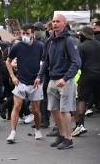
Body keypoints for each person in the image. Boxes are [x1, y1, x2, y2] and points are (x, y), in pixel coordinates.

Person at [35, 14, 81, 149]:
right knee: (53, 109)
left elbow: (77, 62)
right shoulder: (50, 41)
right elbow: (46, 62)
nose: (55, 24)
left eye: (58, 21)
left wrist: (65, 78)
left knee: (64, 110)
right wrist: (39, 76)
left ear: (64, 24)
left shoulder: (69, 40)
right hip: (52, 79)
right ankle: (62, 134)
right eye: (53, 21)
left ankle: (68, 138)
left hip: (65, 80)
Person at [5, 23, 45, 143]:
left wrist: (40, 75)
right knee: (16, 106)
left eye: (27, 33)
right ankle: (12, 133)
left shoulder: (40, 46)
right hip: (21, 81)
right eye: (23, 33)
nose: (25, 36)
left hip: (35, 82)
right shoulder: (17, 47)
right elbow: (8, 61)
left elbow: (45, 61)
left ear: (33, 34)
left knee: (36, 110)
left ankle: (38, 130)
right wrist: (13, 77)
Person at [72, 25, 100, 137]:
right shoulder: (99, 45)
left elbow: (78, 63)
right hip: (99, 75)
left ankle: (81, 125)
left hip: (86, 75)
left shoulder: (81, 47)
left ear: (83, 35)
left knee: (82, 99)